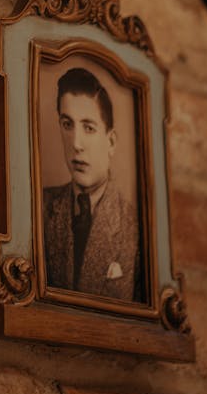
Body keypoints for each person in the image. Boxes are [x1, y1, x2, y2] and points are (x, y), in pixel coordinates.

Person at [43, 67, 140, 301]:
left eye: (88, 128)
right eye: (67, 124)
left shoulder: (135, 227)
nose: (76, 143)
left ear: (111, 142)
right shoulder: (40, 207)